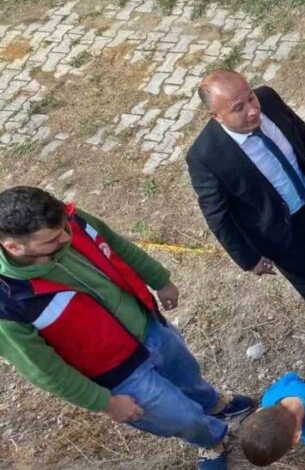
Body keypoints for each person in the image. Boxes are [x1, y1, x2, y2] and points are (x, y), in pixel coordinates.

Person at [0, 186, 253, 470]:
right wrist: (105, 403)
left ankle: (212, 403)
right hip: (119, 375)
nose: (67, 237)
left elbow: (115, 244)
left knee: (187, 373)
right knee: (177, 417)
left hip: (149, 326)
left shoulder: (68, 221)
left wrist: (159, 279)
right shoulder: (7, 303)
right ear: (14, 247)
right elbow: (46, 371)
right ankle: (210, 440)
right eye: (53, 240)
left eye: (64, 228)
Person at [186, 70, 305, 303]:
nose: (253, 110)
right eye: (238, 108)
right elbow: (217, 216)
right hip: (277, 234)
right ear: (217, 116)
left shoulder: (269, 99)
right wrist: (248, 259)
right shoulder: (205, 156)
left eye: (250, 97)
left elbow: (302, 135)